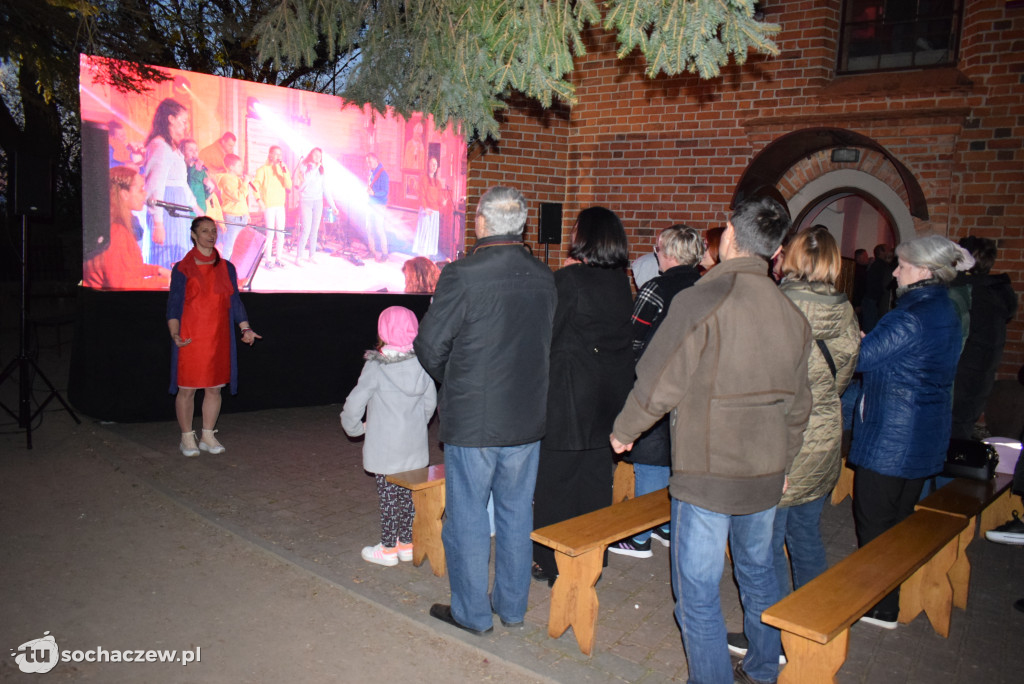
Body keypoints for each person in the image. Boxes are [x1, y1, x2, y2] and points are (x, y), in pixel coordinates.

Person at [610, 197, 812, 684]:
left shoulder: (701, 300)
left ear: (728, 235)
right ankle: (763, 670)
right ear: (776, 250)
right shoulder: (791, 314)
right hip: (765, 470)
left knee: (698, 591)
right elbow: (800, 406)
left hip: (708, 472)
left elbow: (659, 379)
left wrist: (625, 430)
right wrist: (783, 463)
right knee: (758, 572)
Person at [414, 186, 556, 635]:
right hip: (525, 418)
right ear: (522, 224)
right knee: (517, 513)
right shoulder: (544, 276)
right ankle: (512, 608)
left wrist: (454, 379)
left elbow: (429, 345)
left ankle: (472, 614)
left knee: (469, 516)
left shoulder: (462, 274)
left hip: (475, 419)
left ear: (480, 222)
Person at [727, 226, 860, 660]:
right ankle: (811, 626)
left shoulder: (775, 304)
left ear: (790, 258)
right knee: (806, 537)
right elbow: (840, 381)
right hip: (823, 437)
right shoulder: (845, 310)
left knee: (763, 549)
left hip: (781, 439)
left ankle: (774, 636)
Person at [850, 235, 965, 629]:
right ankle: (891, 596)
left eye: (902, 265)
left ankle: (879, 603)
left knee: (875, 521)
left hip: (892, 435)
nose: (895, 272)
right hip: (924, 429)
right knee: (898, 520)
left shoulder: (909, 315)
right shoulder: (945, 309)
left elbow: (861, 360)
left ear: (926, 270)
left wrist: (858, 341)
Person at [531, 207, 635, 584]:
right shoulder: (621, 282)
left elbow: (547, 336)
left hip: (568, 397)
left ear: (584, 237)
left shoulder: (570, 280)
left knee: (555, 484)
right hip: (607, 398)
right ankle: (590, 557)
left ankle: (551, 561)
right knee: (593, 483)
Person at [608, 225, 704, 558]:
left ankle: (639, 537)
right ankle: (665, 524)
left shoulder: (655, 288)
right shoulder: (708, 286)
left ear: (670, 253)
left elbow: (631, 340)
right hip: (696, 388)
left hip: (657, 383)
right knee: (675, 460)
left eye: (658, 248)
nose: (655, 253)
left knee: (650, 459)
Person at [340, 306, 437, 567]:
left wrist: (355, 429)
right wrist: (415, 425)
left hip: (384, 448)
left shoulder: (377, 365)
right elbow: (430, 404)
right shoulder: (424, 362)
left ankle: (388, 548)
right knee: (407, 498)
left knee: (389, 499)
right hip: (414, 446)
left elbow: (354, 403)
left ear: (383, 330)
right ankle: (407, 544)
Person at [167, 216, 262, 457]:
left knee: (214, 389)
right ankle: (187, 437)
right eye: (205, 231)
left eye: (213, 231)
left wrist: (245, 328)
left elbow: (235, 301)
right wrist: (175, 334)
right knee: (187, 389)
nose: (211, 235)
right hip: (190, 337)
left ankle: (207, 435)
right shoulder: (181, 268)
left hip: (218, 338)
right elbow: (174, 305)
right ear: (194, 235)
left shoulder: (227, 267)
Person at [950, 236, 1018, 440]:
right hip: (977, 382)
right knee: (956, 441)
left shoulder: (968, 295)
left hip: (959, 381)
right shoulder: (993, 293)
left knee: (945, 446)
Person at [83, 166, 170, 290]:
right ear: (124, 194)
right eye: (141, 190)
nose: (145, 194)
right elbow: (125, 285)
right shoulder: (116, 233)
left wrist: (158, 271)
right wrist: (166, 282)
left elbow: (127, 268)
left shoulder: (113, 228)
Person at [144, 98, 200, 269]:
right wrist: (158, 223)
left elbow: (181, 183)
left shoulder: (171, 148)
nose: (185, 126)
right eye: (183, 121)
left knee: (179, 259)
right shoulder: (160, 146)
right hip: (167, 211)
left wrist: (196, 208)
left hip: (177, 209)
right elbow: (155, 186)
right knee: (167, 260)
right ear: (170, 119)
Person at [292, 148, 338, 266]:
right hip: (306, 201)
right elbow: (303, 184)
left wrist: (333, 206)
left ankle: (312, 255)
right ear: (311, 154)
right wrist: (314, 168)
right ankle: (299, 257)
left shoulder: (321, 170)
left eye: (320, 155)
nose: (318, 157)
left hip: (318, 202)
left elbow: (325, 189)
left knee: (315, 229)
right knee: (306, 229)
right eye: (316, 154)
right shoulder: (304, 166)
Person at [252, 145, 292, 270]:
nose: (278, 157)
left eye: (280, 154)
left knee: (280, 233)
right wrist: (259, 200)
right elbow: (255, 186)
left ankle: (278, 258)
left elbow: (289, 186)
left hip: (280, 205)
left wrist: (284, 172)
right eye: (275, 154)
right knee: (270, 233)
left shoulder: (283, 169)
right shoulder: (262, 170)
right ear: (270, 154)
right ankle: (268, 259)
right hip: (269, 205)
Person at [412, 156, 451, 258]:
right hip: (426, 211)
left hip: (434, 212)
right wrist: (425, 208)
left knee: (431, 238)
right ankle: (420, 259)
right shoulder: (424, 179)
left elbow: (438, 199)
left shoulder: (438, 182)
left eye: (436, 164)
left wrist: (442, 203)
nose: (434, 166)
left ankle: (427, 260)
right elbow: (422, 195)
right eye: (432, 164)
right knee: (423, 236)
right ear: (428, 165)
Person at [217, 154, 252, 260]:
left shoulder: (237, 179)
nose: (242, 168)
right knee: (228, 248)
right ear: (231, 167)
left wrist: (246, 213)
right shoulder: (226, 179)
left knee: (238, 248)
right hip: (232, 218)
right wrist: (245, 182)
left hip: (241, 217)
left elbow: (242, 199)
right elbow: (237, 197)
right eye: (239, 166)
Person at [860, 242, 896, 332]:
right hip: (873, 301)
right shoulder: (880, 266)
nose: (889, 251)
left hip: (873, 300)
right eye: (887, 249)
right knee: (871, 329)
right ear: (881, 252)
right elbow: (882, 286)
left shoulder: (879, 264)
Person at [365, 153, 390, 262]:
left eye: (370, 162)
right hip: (370, 204)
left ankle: (385, 253)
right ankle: (372, 251)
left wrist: (374, 193)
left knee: (379, 229)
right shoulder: (371, 173)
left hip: (379, 205)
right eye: (367, 162)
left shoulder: (383, 174)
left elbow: (385, 192)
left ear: (376, 160)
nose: (368, 164)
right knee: (369, 228)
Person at [181, 139, 216, 215]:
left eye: (196, 150)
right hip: (187, 210)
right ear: (182, 152)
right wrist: (197, 170)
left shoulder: (201, 171)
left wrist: (209, 188)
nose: (194, 152)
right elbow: (188, 184)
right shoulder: (182, 168)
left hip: (201, 209)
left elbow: (206, 195)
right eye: (190, 150)